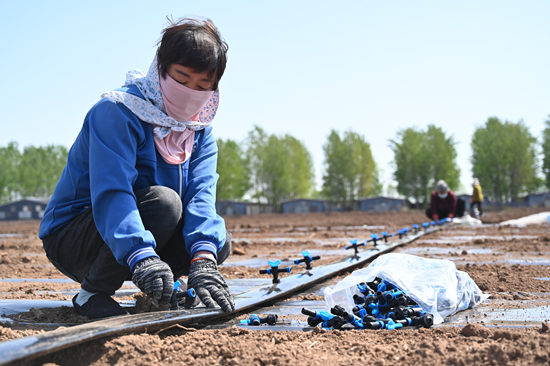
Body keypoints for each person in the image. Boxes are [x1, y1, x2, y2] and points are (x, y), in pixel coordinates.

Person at [38, 17, 235, 318]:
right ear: (160, 69)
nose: (189, 93)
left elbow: (201, 197)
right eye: (181, 80)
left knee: (213, 239)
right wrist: (140, 255)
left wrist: (203, 261)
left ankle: (167, 285)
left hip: (140, 231)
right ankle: (93, 291)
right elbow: (112, 192)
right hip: (77, 236)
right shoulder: (117, 112)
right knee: (165, 203)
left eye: (202, 86)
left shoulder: (199, 131)